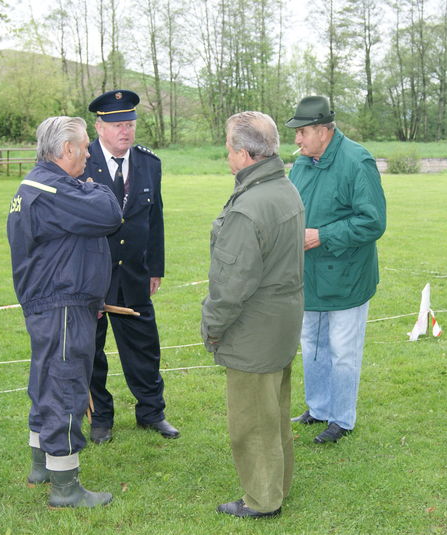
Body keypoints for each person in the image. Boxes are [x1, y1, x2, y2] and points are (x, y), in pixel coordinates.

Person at [7, 116, 122, 508]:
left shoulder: (37, 186)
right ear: (67, 149)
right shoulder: (52, 189)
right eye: (85, 147)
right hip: (62, 303)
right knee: (65, 386)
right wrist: (94, 187)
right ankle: (65, 486)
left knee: (45, 381)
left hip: (56, 302)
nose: (89, 155)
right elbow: (109, 212)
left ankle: (41, 465)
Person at [202, 111, 304, 518]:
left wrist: (212, 328)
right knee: (274, 413)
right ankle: (276, 487)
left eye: (229, 147)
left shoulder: (251, 207)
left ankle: (262, 500)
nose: (226, 154)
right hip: (281, 323)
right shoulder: (284, 187)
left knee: (252, 422)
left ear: (244, 154)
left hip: (255, 329)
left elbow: (231, 286)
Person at [285, 95, 386, 444]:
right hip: (309, 276)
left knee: (343, 351)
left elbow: (373, 222)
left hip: (347, 278)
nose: (297, 139)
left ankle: (342, 419)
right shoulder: (302, 164)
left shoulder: (357, 161)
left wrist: (323, 235)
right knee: (312, 343)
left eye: (302, 132)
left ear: (323, 130)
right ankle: (318, 408)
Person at [79, 89, 179, 443]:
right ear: (99, 127)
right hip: (92, 275)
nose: (126, 131)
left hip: (135, 272)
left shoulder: (148, 163)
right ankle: (100, 418)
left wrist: (155, 267)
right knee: (91, 349)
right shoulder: (81, 162)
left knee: (143, 346)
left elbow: (155, 217)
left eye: (130, 124)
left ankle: (151, 412)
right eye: (118, 125)